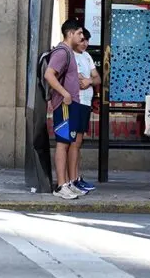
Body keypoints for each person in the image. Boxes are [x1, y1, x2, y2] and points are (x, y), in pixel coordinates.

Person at [44, 19, 85, 200]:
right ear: (70, 34)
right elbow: (49, 75)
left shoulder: (68, 52)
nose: (82, 37)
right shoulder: (62, 52)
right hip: (65, 104)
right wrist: (64, 93)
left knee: (68, 143)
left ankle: (66, 183)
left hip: (71, 104)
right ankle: (61, 185)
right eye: (79, 33)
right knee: (63, 143)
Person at [71, 28, 100, 194]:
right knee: (74, 142)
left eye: (86, 40)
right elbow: (76, 78)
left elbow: (97, 78)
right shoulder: (69, 55)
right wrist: (85, 79)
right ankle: (72, 178)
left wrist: (89, 79)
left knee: (78, 143)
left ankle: (77, 176)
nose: (85, 43)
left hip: (86, 102)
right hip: (76, 101)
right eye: (82, 40)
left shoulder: (87, 56)